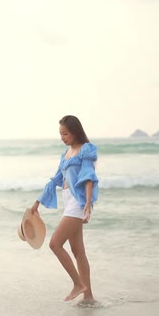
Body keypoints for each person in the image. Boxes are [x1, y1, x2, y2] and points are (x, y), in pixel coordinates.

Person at [31, 115, 99, 303]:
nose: (62, 137)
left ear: (75, 131)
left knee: (54, 244)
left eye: (65, 133)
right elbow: (56, 180)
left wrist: (87, 203)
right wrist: (38, 202)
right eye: (60, 133)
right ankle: (89, 297)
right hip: (68, 202)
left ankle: (78, 284)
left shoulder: (85, 150)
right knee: (79, 253)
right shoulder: (66, 154)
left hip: (77, 204)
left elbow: (88, 177)